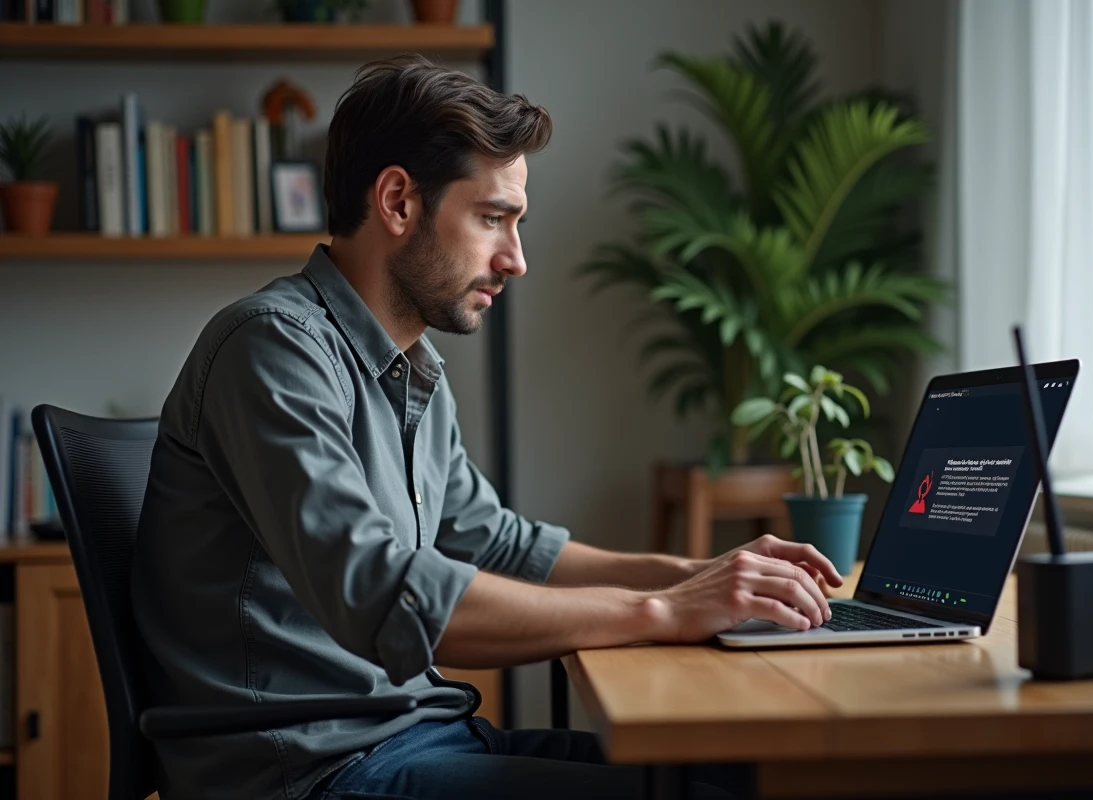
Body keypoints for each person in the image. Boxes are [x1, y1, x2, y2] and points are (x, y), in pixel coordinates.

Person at [131, 54, 842, 800]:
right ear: (399, 201)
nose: (517, 260)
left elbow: (498, 544)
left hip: (411, 735)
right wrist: (662, 611)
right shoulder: (271, 347)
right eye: (493, 218)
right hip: (311, 772)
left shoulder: (413, 369)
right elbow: (384, 594)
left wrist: (703, 575)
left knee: (753, 772)